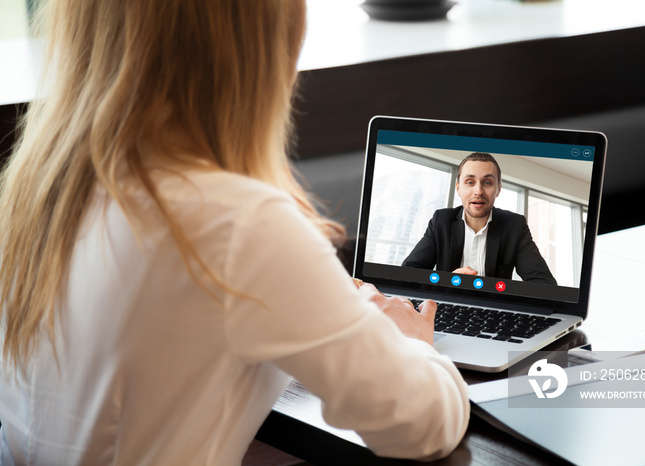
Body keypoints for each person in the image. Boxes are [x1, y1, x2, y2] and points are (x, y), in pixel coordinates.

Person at [0, 1, 469, 464]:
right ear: (260, 48)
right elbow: (421, 425)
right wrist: (408, 343)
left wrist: (325, 311)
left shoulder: (37, 192)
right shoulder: (238, 223)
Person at [402, 152, 557, 285]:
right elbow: (408, 273)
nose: (478, 191)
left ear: (498, 189)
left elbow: (545, 284)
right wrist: (447, 281)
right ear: (458, 188)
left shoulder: (514, 225)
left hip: (494, 310)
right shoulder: (441, 221)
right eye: (470, 182)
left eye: (488, 183)